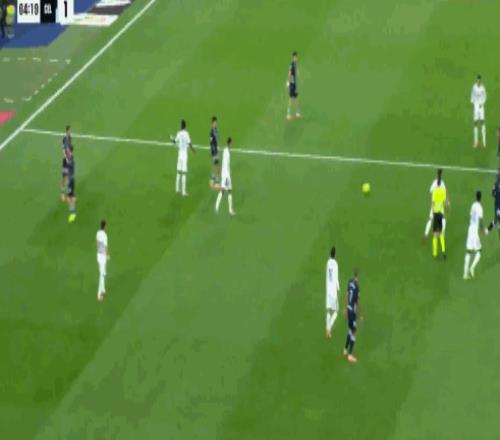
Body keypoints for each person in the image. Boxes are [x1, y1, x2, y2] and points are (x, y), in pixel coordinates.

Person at [171, 119, 195, 196]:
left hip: (179, 154)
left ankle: (177, 189)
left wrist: (171, 139)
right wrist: (193, 150)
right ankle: (183, 192)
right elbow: (189, 143)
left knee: (178, 171)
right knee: (184, 173)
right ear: (185, 126)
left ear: (181, 126)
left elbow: (174, 142)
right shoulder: (186, 134)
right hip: (184, 154)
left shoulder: (179, 133)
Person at [463, 191, 484, 279]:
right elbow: (481, 220)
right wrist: (482, 230)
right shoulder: (480, 208)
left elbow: (471, 216)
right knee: (479, 251)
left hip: (470, 229)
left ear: (476, 197)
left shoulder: (473, 205)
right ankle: (472, 268)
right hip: (474, 232)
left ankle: (465, 274)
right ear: (481, 198)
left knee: (468, 252)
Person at [343, 270, 363, 363]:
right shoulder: (357, 288)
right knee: (354, 331)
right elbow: (357, 303)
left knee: (350, 330)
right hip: (352, 312)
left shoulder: (350, 282)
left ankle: (345, 350)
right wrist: (360, 314)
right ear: (357, 277)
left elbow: (347, 295)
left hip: (348, 309)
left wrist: (345, 309)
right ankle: (350, 355)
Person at [424, 169, 449, 238]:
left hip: (434, 204)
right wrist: (447, 201)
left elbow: (430, 191)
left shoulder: (434, 182)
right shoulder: (442, 183)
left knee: (431, 218)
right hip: (440, 206)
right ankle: (441, 233)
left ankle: (426, 234)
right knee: (443, 219)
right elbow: (445, 192)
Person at [215, 137, 235, 215]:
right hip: (226, 175)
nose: (232, 145)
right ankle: (229, 210)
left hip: (225, 174)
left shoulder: (225, 150)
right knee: (225, 191)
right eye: (231, 143)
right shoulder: (227, 152)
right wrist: (226, 175)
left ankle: (218, 207)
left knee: (227, 191)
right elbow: (225, 164)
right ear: (230, 143)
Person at [325, 246, 340, 338]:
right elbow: (336, 278)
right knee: (336, 311)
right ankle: (329, 328)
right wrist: (338, 289)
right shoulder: (335, 264)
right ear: (335, 254)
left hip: (328, 290)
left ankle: (327, 330)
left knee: (329, 311)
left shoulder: (328, 262)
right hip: (333, 291)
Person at [431, 177, 447, 258]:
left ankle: (435, 253)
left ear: (436, 184)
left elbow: (433, 203)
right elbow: (444, 202)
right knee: (441, 233)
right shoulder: (443, 191)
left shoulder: (434, 191)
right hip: (440, 213)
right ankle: (443, 250)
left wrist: (433, 212)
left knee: (435, 234)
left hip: (435, 213)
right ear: (441, 184)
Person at [471, 75, 487, 148]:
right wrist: (473, 103)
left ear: (480, 81)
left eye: (479, 80)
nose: (478, 82)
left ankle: (484, 142)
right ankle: (476, 142)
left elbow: (485, 96)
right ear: (476, 80)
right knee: (475, 123)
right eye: (477, 80)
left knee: (482, 122)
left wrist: (482, 103)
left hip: (481, 106)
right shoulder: (474, 87)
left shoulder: (483, 88)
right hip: (476, 106)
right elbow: (472, 95)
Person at [96, 220, 109, 302]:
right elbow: (105, 247)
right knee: (101, 274)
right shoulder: (105, 235)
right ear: (104, 226)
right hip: (103, 256)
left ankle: (103, 290)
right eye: (106, 226)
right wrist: (107, 255)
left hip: (98, 255)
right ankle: (99, 294)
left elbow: (97, 243)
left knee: (103, 273)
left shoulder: (98, 233)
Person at [485, 170, 500, 239]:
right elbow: (493, 193)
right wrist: (495, 194)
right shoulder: (495, 184)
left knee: (497, 220)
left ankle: (488, 230)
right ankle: (488, 230)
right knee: (497, 219)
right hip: (497, 205)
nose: (496, 175)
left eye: (497, 174)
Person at [286, 51, 301, 120]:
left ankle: (297, 113)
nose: (296, 58)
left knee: (297, 98)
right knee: (290, 99)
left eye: (296, 57)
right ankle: (288, 114)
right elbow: (289, 73)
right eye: (295, 57)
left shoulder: (295, 64)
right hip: (292, 84)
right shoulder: (292, 64)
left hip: (294, 84)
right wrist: (288, 82)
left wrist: (297, 72)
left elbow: (294, 72)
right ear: (293, 57)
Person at [61, 125, 72, 202]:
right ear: (66, 131)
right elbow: (63, 150)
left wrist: (70, 156)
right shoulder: (65, 139)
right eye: (69, 131)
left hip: (69, 159)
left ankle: (68, 193)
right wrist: (67, 159)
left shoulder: (70, 137)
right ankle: (62, 194)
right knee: (64, 177)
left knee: (68, 176)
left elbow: (69, 149)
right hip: (65, 161)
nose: (70, 132)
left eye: (70, 130)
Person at [66, 146, 77, 223]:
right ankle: (73, 212)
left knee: (69, 197)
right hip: (71, 180)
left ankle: (72, 213)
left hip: (71, 180)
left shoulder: (71, 160)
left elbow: (69, 164)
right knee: (72, 196)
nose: (67, 152)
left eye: (68, 151)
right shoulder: (70, 158)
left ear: (71, 151)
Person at [209, 116, 220, 187]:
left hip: (216, 148)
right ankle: (215, 178)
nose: (216, 124)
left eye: (216, 122)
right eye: (215, 122)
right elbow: (211, 142)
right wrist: (213, 150)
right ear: (212, 123)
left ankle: (214, 176)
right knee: (216, 163)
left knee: (216, 163)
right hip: (214, 149)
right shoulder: (212, 131)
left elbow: (217, 139)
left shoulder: (216, 130)